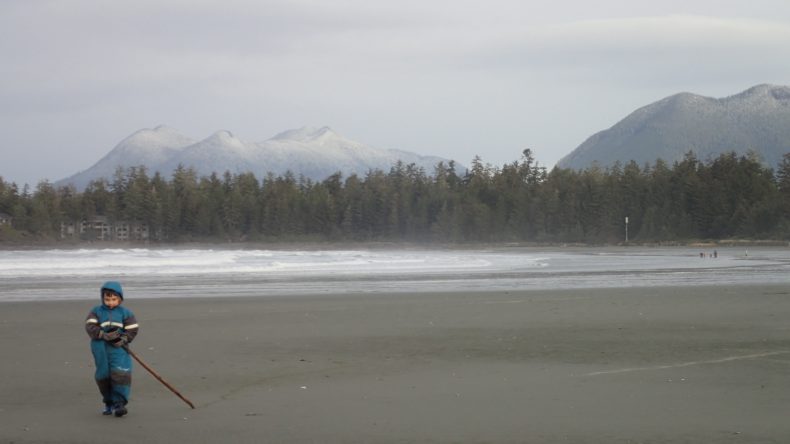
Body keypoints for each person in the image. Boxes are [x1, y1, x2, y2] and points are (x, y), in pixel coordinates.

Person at [85, 281, 139, 417]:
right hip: (100, 347)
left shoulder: (125, 313)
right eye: (107, 299)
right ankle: (108, 402)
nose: (110, 302)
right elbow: (90, 327)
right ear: (102, 298)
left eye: (114, 299)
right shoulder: (96, 311)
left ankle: (119, 403)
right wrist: (103, 334)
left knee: (120, 373)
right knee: (103, 375)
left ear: (120, 298)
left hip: (118, 348)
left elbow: (132, 329)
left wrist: (124, 339)